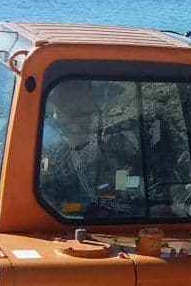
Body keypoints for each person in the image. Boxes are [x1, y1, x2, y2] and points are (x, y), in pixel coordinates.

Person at [39, 81, 141, 216]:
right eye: (80, 113)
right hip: (71, 219)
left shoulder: (48, 131)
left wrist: (120, 184)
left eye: (89, 112)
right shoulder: (56, 146)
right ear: (61, 109)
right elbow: (89, 202)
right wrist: (139, 210)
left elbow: (113, 179)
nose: (87, 120)